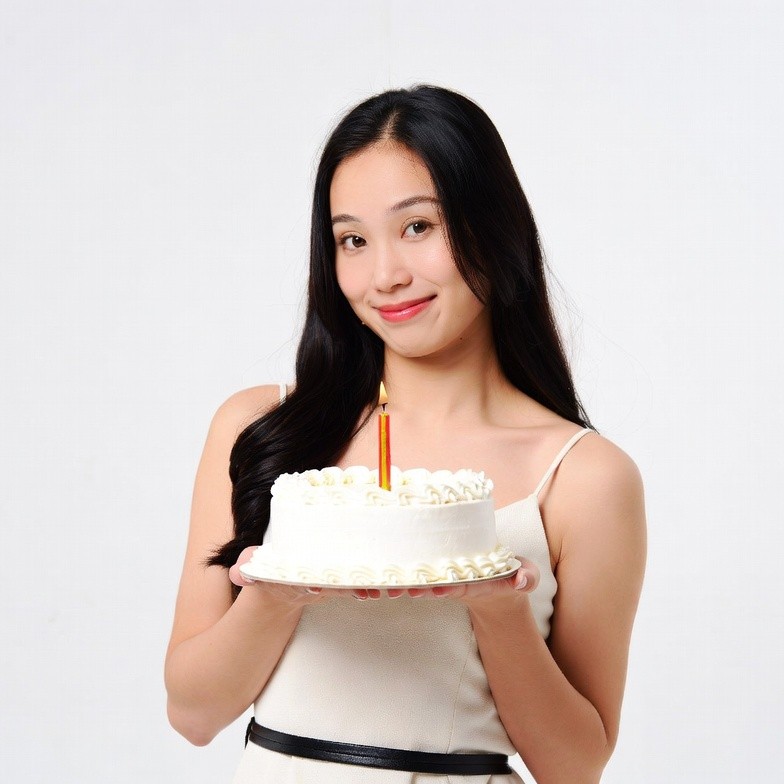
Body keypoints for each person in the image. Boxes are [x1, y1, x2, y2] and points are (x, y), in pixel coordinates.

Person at [165, 85, 646, 784]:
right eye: (353, 240)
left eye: (418, 226)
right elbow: (192, 713)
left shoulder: (584, 477)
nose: (385, 275)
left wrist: (495, 606)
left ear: (492, 224)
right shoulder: (258, 428)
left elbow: (574, 768)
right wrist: (277, 590)